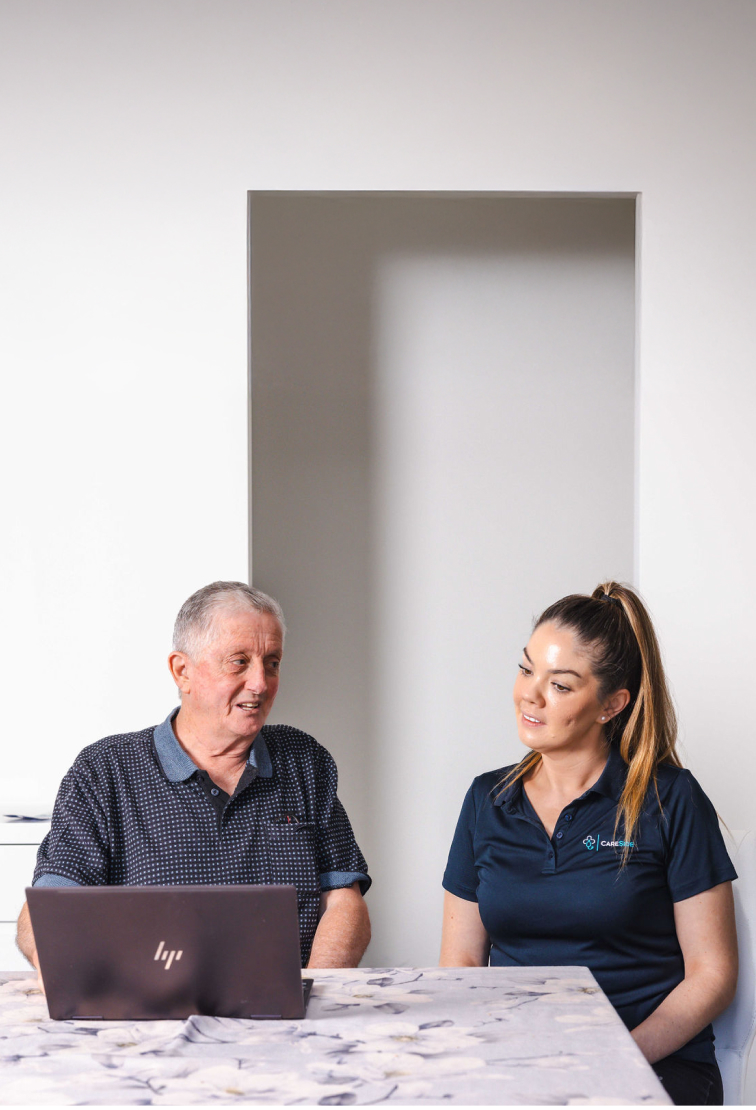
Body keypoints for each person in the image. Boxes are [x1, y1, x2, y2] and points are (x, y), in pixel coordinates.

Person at [440, 582, 737, 1106]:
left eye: (560, 685)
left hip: (653, 1062)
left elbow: (712, 976)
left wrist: (613, 1055)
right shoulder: (488, 799)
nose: (530, 694)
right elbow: (461, 962)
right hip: (521, 1062)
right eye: (527, 668)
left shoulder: (671, 799)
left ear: (611, 704)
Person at [17, 581, 371, 974]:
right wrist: (76, 982)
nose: (260, 683)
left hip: (286, 1015)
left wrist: (312, 993)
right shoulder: (105, 771)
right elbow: (46, 911)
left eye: (272, 662)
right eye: (239, 661)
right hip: (150, 1016)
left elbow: (343, 900)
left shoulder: (305, 761)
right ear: (182, 671)